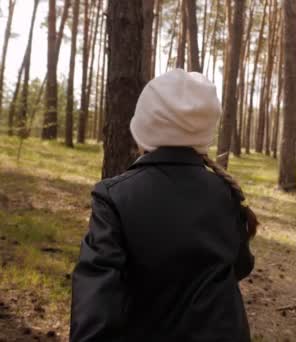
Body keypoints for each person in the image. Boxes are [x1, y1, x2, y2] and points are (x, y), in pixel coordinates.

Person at [70, 69, 257, 342]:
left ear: (144, 126)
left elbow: (96, 302)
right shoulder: (225, 192)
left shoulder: (114, 196)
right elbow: (241, 265)